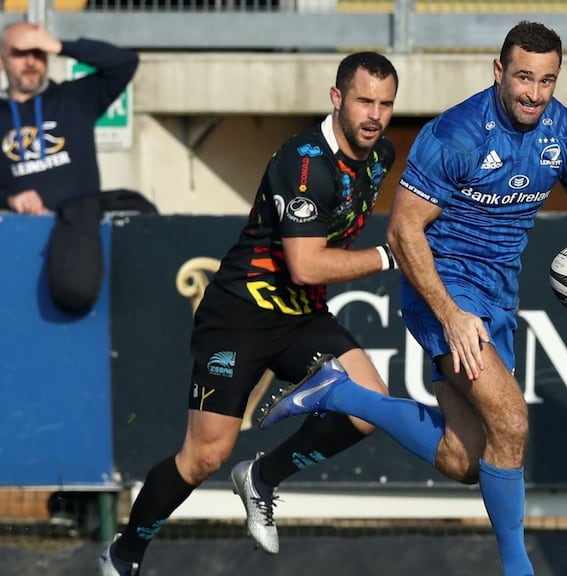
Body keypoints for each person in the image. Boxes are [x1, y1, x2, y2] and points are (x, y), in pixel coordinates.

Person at [257, 21, 567, 576]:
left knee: (468, 460)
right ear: (499, 72)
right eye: (524, 77)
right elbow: (403, 233)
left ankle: (340, 393)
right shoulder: (454, 134)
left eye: (547, 80)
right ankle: (518, 568)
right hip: (443, 287)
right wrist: (453, 315)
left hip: (498, 295)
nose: (534, 92)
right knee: (511, 422)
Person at [97, 51, 402, 576]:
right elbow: (305, 266)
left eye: (386, 104)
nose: (374, 115)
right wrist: (389, 255)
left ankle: (261, 477)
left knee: (369, 408)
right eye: (363, 101)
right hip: (239, 313)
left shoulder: (381, 155)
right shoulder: (303, 160)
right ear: (337, 99)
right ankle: (123, 555)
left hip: (301, 317)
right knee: (205, 456)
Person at [0, 22, 139, 314]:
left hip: (81, 245)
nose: (31, 62)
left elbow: (125, 62)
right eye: (20, 54)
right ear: (2, 60)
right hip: (20, 246)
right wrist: (9, 199)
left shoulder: (75, 98)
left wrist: (61, 46)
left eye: (38, 52)